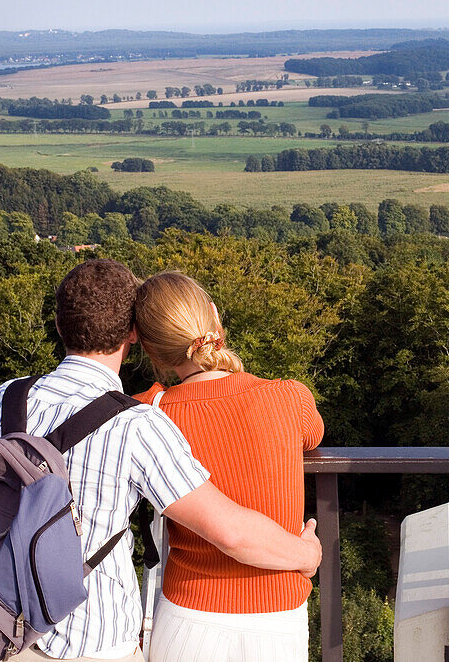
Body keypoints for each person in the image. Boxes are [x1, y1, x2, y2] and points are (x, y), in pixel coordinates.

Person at [0, 259, 321, 662]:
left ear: (59, 326)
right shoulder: (139, 423)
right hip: (98, 638)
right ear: (132, 334)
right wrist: (308, 555)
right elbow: (233, 529)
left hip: (5, 625)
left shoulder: (9, 396)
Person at [133, 271, 324, 662]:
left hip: (186, 616)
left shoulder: (149, 412)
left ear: (152, 352)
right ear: (215, 317)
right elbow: (312, 435)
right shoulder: (289, 396)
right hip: (278, 616)